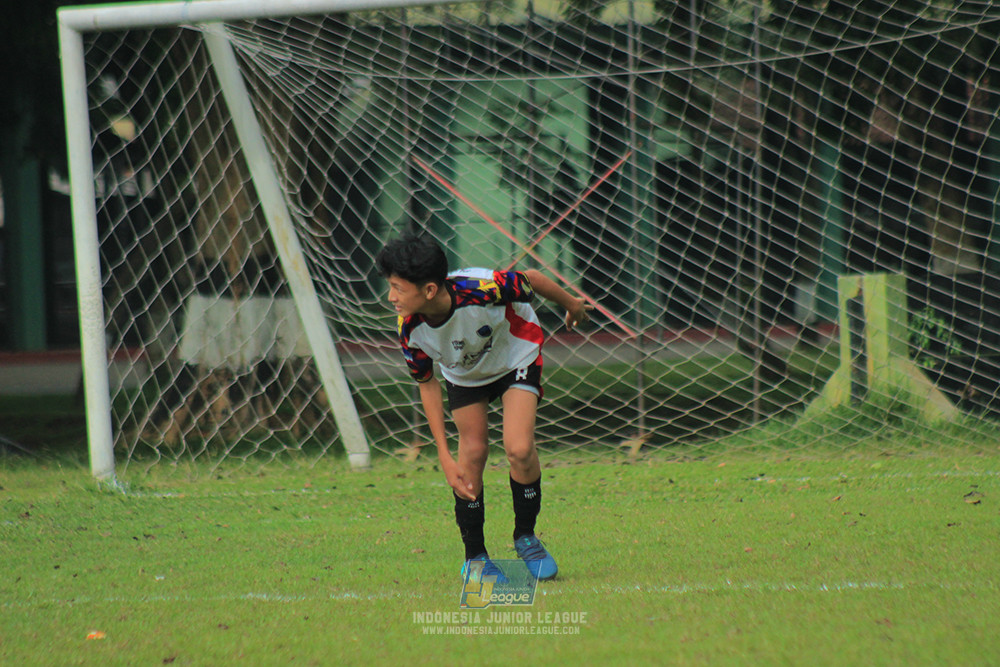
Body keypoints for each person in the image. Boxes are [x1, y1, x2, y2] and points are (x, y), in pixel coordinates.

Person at [376, 232, 592, 580]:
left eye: (398, 288)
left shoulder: (482, 290)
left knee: (519, 449)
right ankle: (475, 557)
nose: (391, 297)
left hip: (515, 355)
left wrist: (571, 305)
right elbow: (426, 384)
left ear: (429, 290)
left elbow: (532, 280)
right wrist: (444, 457)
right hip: (465, 373)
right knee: (471, 455)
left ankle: (526, 536)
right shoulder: (410, 328)